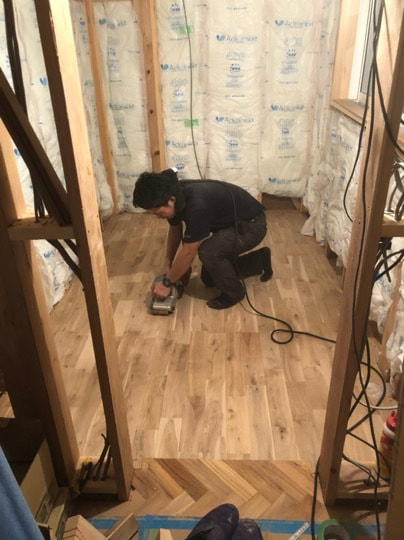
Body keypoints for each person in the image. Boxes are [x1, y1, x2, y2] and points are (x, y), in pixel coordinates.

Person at [133, 169, 272, 310]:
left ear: (171, 201)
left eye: (158, 213)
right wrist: (168, 265)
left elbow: (189, 252)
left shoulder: (197, 205)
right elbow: (175, 229)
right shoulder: (170, 192)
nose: (158, 217)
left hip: (252, 226)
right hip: (230, 224)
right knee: (209, 279)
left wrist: (167, 283)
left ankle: (235, 294)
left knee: (208, 252)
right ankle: (259, 260)